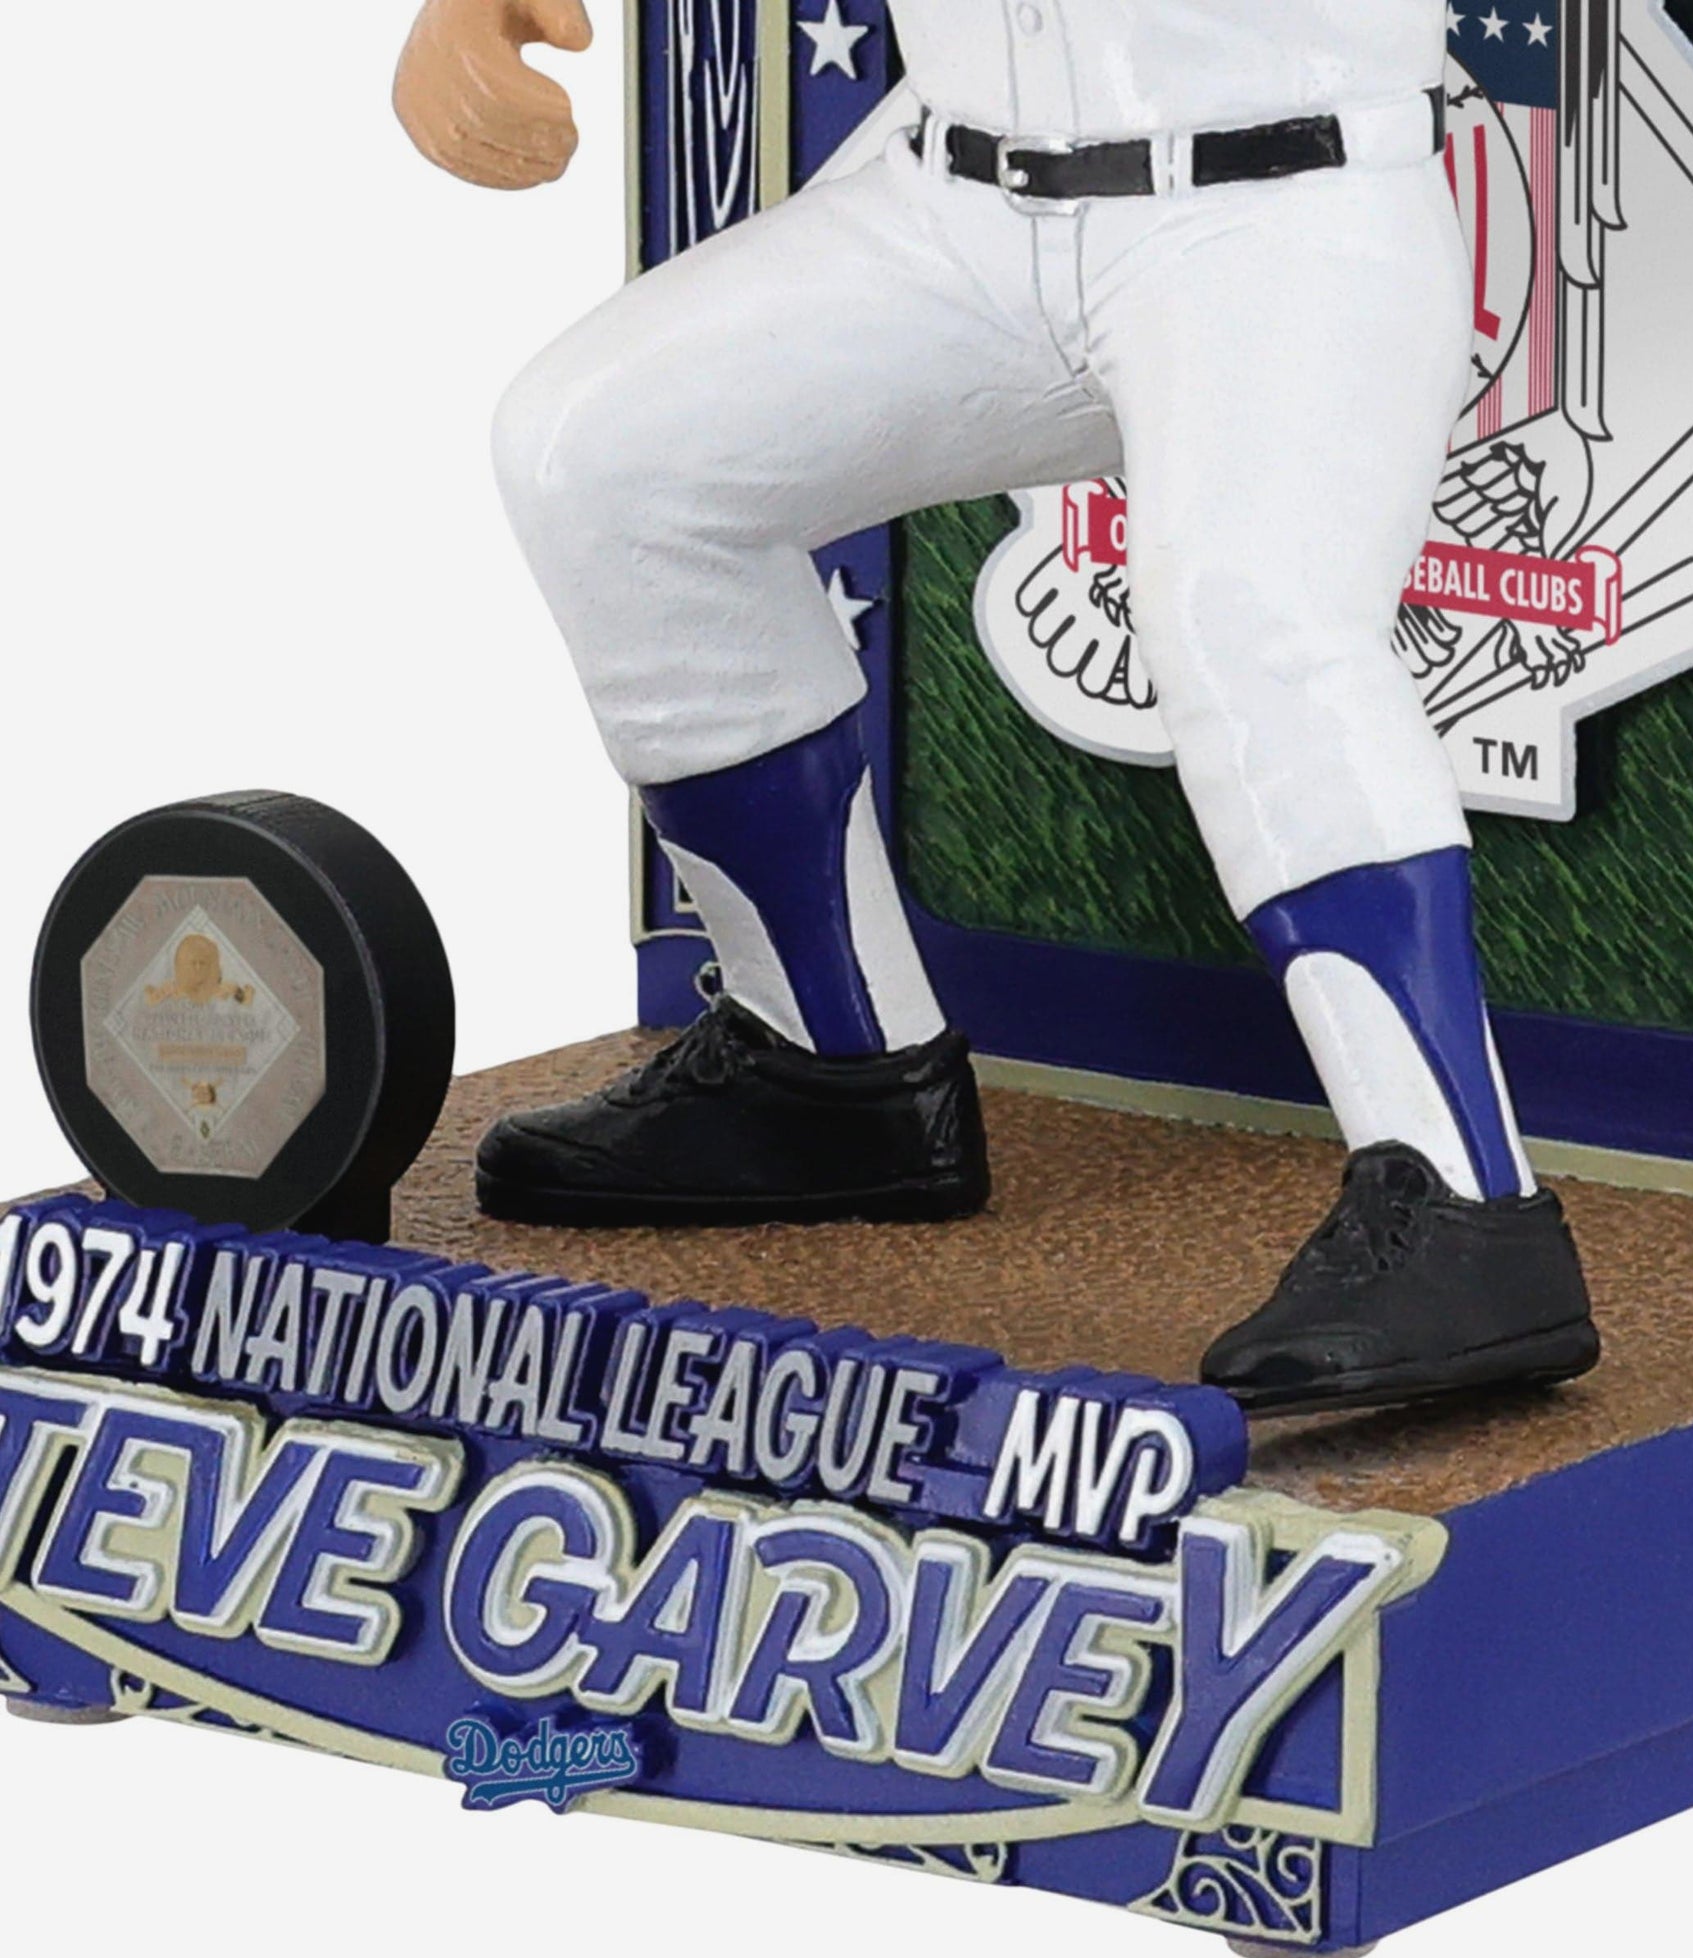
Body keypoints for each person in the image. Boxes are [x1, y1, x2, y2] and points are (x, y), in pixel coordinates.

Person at [393, 0, 1602, 1417]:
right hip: (958, 202)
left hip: (1281, 209)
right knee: (601, 454)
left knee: (1256, 617)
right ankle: (829, 1074)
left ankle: (1466, 1212)